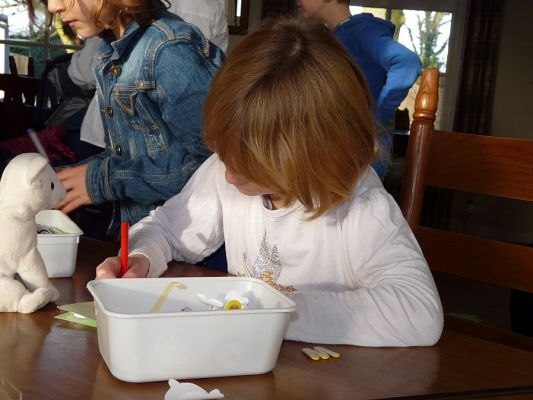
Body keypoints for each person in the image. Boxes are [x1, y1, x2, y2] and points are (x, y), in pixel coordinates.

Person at [96, 17, 443, 347]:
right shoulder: (227, 171)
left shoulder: (361, 204)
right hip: (246, 361)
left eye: (251, 167)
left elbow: (419, 312)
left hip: (328, 375)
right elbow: (167, 230)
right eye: (224, 155)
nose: (228, 176)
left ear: (314, 152)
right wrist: (141, 256)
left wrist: (271, 313)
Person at [46, 0, 224, 235]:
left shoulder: (169, 50)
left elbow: (214, 166)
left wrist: (104, 180)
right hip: (144, 237)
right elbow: (139, 152)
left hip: (184, 242)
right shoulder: (112, 50)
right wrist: (77, 177)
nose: (53, 6)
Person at [71, 0, 229, 149]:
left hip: (122, 139)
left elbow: (82, 74)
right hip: (122, 139)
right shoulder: (212, 6)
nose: (58, 6)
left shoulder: (171, 45)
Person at [298, 0, 422, 178]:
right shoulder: (332, 37)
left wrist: (380, 113)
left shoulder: (359, 31)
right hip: (338, 151)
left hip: (362, 154)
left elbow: (406, 62)